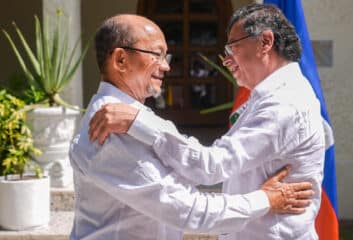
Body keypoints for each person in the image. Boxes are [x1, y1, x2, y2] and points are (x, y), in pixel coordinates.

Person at [89, 3, 326, 240]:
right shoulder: (274, 97)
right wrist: (264, 199)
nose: (227, 60)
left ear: (265, 42)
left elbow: (211, 166)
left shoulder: (283, 102)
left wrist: (138, 121)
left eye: (233, 47)